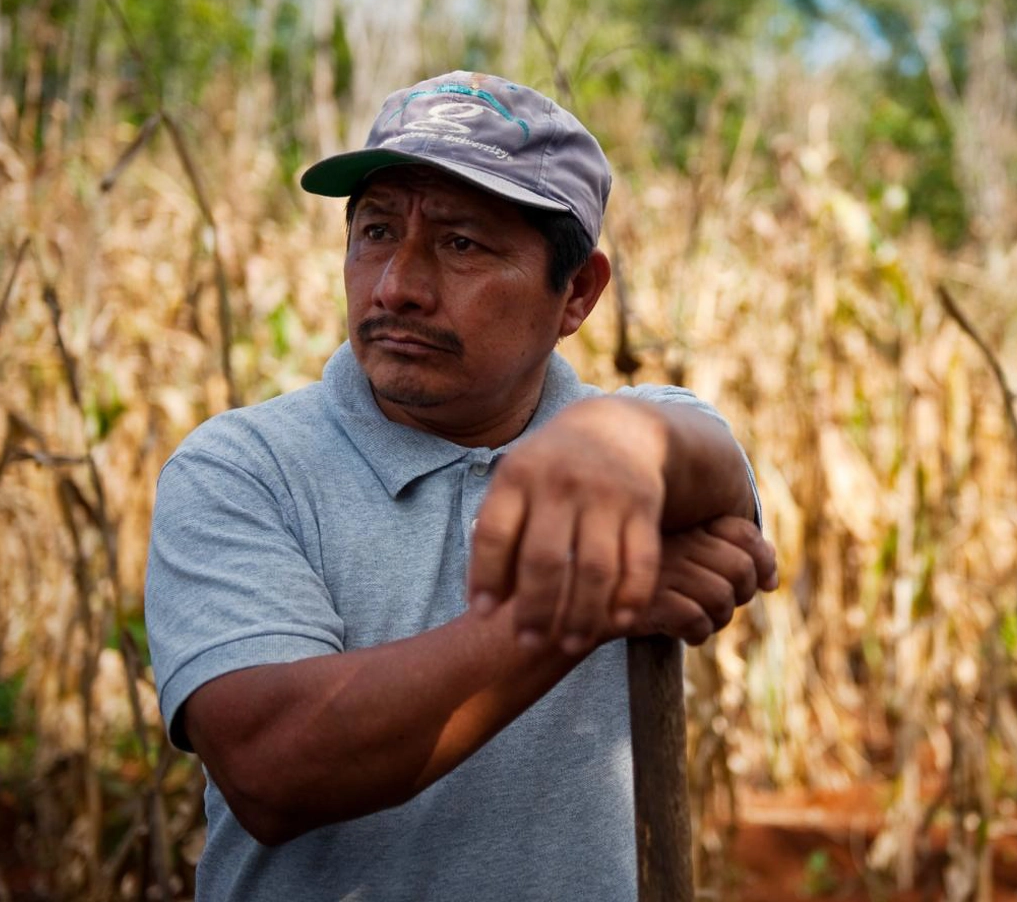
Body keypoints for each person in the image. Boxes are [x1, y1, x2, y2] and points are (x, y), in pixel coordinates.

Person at [144, 71, 776, 901]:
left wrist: (619, 442)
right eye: (376, 231)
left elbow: (709, 464)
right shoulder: (244, 467)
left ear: (577, 291)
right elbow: (275, 765)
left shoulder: (637, 434)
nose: (395, 284)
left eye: (461, 243)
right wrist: (584, 601)